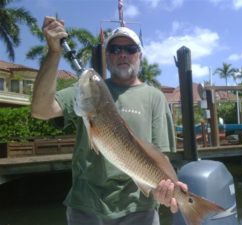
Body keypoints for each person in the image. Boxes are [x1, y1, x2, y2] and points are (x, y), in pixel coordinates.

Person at [31, 16, 187, 225]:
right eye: (114, 49)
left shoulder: (155, 96)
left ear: (140, 55)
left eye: (130, 49)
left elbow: (160, 156)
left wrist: (170, 187)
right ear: (107, 56)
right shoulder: (88, 91)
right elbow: (41, 110)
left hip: (140, 210)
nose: (122, 54)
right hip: (85, 207)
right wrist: (54, 52)